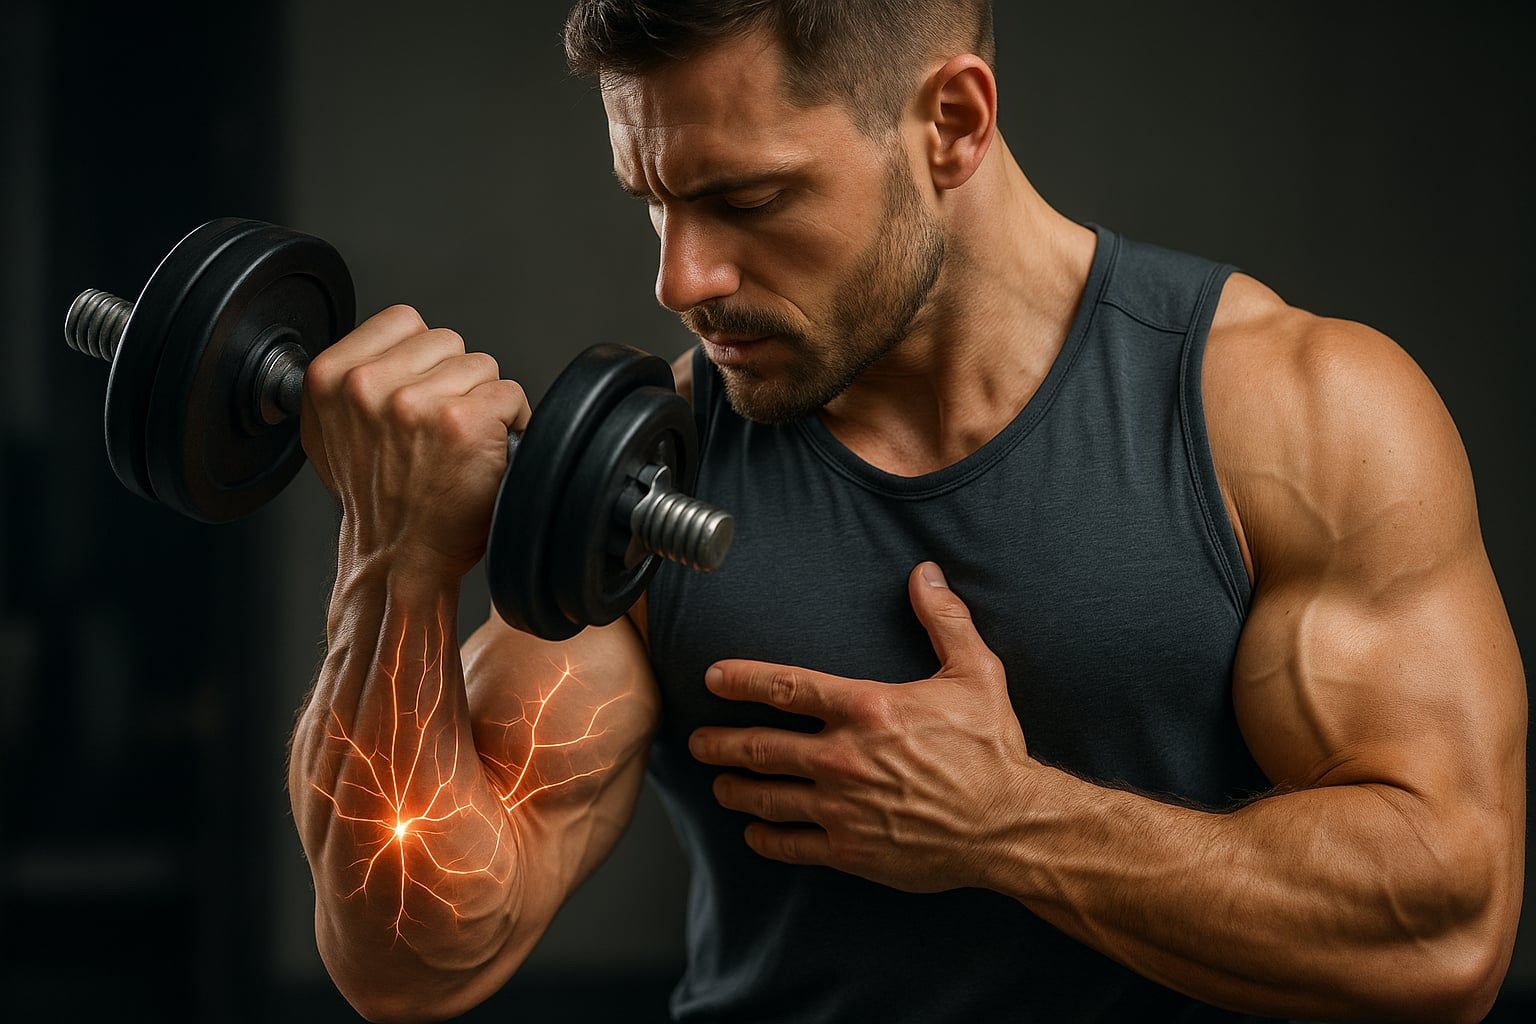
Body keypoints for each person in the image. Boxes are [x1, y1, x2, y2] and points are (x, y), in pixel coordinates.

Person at [287, 2, 1525, 1021]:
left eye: (750, 200)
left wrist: (1010, 822)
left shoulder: (1291, 411)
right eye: (653, 202)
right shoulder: (646, 475)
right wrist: (392, 562)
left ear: (951, 123)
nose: (680, 278)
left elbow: (1447, 932)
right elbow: (415, 948)